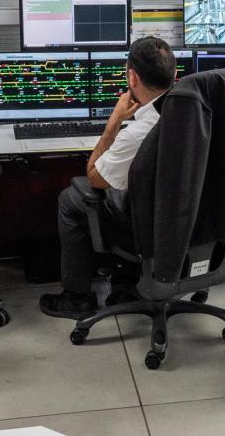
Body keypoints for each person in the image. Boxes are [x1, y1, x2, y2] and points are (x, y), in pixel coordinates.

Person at [40, 37, 175, 319]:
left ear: (132, 77)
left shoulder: (138, 133)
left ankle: (77, 298)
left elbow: (95, 178)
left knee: (72, 198)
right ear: (175, 75)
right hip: (187, 219)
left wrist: (113, 122)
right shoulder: (197, 115)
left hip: (149, 229)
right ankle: (126, 284)